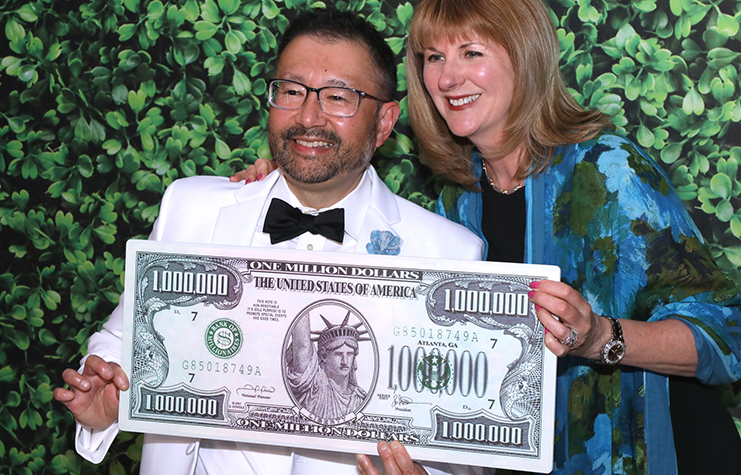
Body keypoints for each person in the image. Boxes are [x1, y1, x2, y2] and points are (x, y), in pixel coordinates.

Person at [233, 1, 741, 474]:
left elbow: (727, 338)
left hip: (664, 455)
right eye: (433, 57)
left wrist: (599, 338)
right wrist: (277, 184)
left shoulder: (608, 172)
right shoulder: (455, 205)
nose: (448, 76)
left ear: (523, 58)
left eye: (471, 51)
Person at [53, 9, 486, 475]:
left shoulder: (450, 252)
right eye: (292, 91)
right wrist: (109, 401)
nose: (308, 116)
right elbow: (126, 341)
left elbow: (458, 443)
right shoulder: (190, 208)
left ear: (383, 122)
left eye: (338, 97)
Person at [286, 310, 369, 421]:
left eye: (349, 354)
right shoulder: (314, 387)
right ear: (324, 356)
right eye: (338, 354)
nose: (345, 361)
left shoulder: (360, 398)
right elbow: (302, 345)